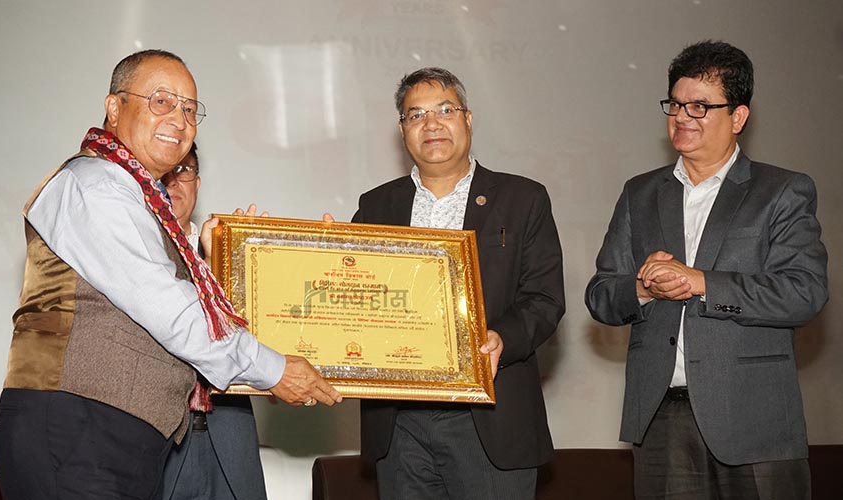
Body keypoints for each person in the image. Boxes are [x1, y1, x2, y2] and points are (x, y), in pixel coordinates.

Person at [0, 49, 341, 500]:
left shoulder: (142, 202)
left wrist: (284, 267)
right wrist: (274, 370)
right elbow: (169, 308)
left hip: (111, 435)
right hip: (77, 428)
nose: (179, 118)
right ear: (114, 107)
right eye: (161, 101)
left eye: (190, 109)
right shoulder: (96, 184)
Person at [585, 40, 828, 499]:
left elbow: (804, 293)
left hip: (755, 420)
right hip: (660, 419)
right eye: (676, 104)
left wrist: (701, 283)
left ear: (738, 117)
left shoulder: (781, 190)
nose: (682, 116)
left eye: (700, 106)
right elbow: (600, 294)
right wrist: (643, 289)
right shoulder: (640, 193)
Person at [353, 67, 564, 500]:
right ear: (402, 130)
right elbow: (358, 300)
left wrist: (502, 338)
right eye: (416, 115)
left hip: (489, 418)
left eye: (445, 110)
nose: (431, 124)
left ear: (467, 119)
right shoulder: (375, 206)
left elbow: (543, 298)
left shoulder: (523, 198)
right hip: (399, 422)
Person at [160, 144, 268, 500]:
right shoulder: (133, 253)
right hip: (160, 436)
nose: (174, 180)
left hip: (230, 433)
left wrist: (260, 258)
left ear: (198, 182)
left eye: (185, 170)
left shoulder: (230, 252)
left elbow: (264, 333)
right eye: (165, 170)